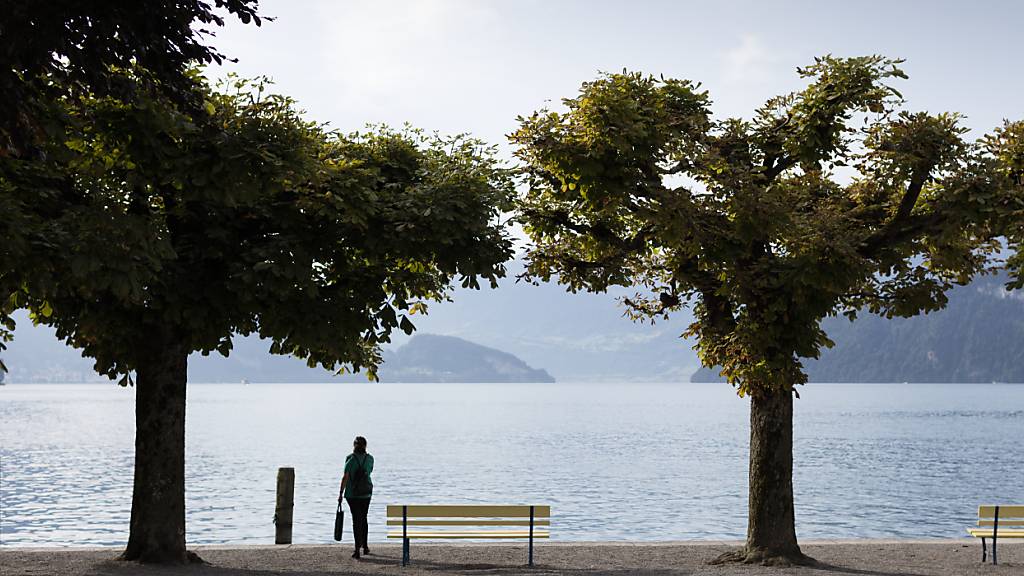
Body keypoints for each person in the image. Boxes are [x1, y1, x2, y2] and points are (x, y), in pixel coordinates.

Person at [338, 436, 373, 559]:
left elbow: (345, 477)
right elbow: (369, 472)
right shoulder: (370, 459)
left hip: (352, 494)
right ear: (365, 446)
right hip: (366, 493)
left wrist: (341, 493)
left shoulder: (350, 459)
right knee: (364, 519)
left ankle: (357, 549)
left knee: (356, 520)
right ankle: (366, 546)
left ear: (354, 446)